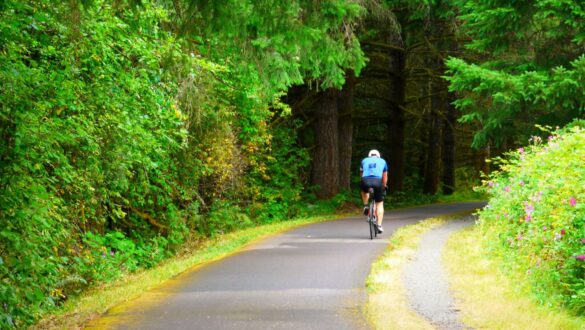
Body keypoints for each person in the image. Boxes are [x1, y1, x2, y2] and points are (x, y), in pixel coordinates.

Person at [359, 149, 388, 233]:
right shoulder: (383, 161)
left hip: (365, 180)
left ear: (369, 155)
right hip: (378, 181)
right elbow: (385, 177)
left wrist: (363, 182)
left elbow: (361, 174)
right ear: (378, 156)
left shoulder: (364, 160)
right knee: (379, 203)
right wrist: (384, 186)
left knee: (364, 191)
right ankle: (379, 225)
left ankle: (365, 205)